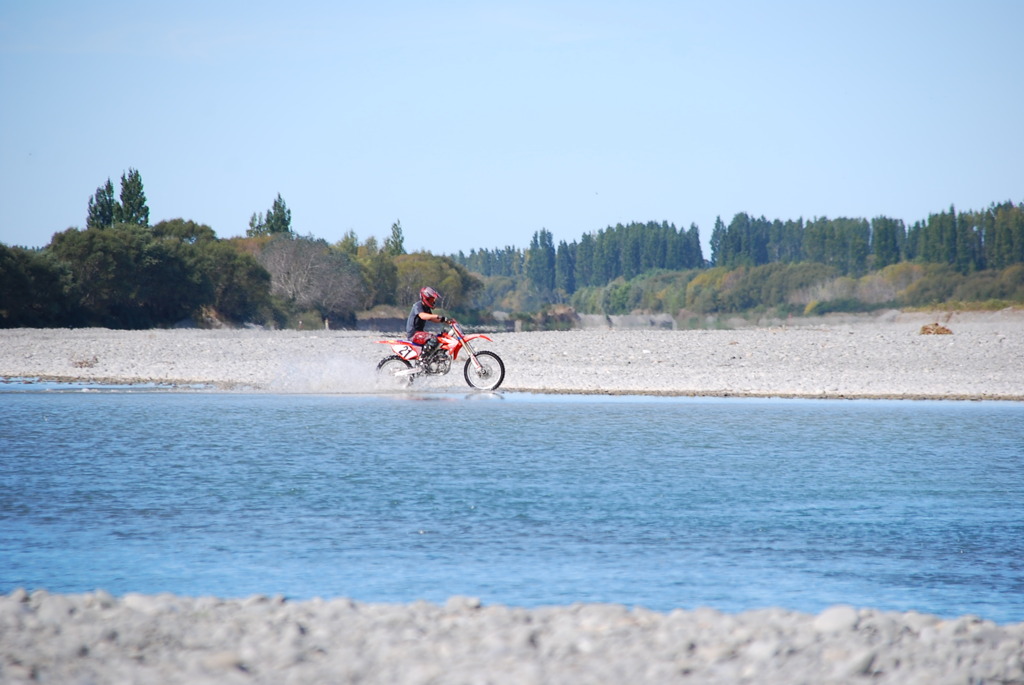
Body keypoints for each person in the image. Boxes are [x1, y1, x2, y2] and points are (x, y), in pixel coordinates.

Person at [406, 286, 450, 357]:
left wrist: (444, 320)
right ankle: (423, 360)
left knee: (440, 337)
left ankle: (433, 357)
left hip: (420, 333)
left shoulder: (426, 307)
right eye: (431, 299)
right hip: (414, 334)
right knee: (433, 339)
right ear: (425, 298)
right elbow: (423, 316)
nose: (433, 301)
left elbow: (431, 319)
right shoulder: (418, 305)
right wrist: (436, 316)